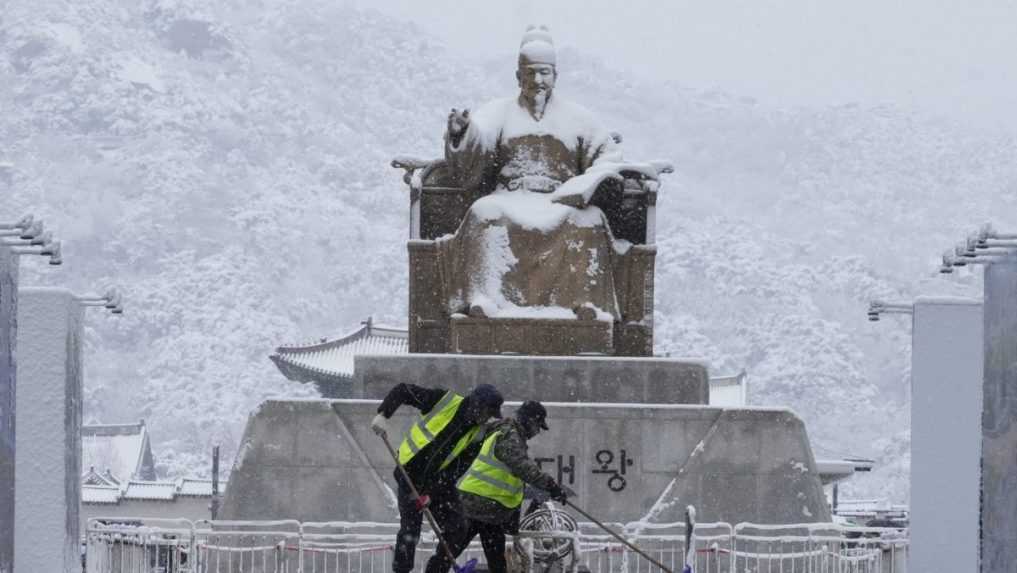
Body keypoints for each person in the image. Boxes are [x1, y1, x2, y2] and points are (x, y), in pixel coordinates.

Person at [436, 25, 640, 322]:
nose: (537, 80)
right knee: (483, 213)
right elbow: (478, 141)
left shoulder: (579, 118)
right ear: (519, 77)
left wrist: (588, 182)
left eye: (544, 72)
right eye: (530, 73)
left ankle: (585, 304)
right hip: (511, 196)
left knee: (590, 219)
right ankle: (484, 299)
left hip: (560, 200)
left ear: (555, 76)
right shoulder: (500, 111)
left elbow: (608, 155)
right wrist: (462, 133)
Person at [372, 383, 505, 573]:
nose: (486, 418)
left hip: (439, 483)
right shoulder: (444, 401)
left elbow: (456, 470)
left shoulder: (479, 434)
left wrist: (431, 494)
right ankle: (401, 570)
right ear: (477, 403)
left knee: (459, 527)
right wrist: (384, 414)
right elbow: (403, 390)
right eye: (486, 412)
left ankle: (436, 570)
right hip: (409, 474)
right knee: (410, 532)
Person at [424, 400, 568, 573]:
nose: (537, 432)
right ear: (529, 421)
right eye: (538, 426)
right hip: (476, 505)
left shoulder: (507, 433)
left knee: (490, 560)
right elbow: (522, 467)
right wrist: (551, 486)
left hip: (489, 511)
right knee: (449, 553)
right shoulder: (509, 435)